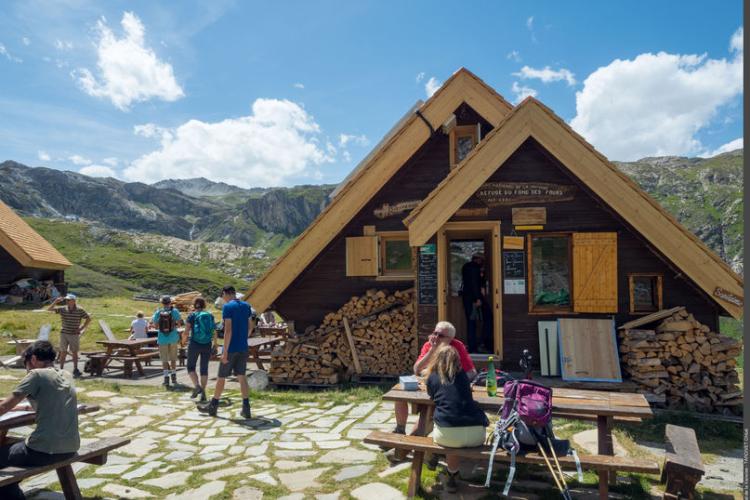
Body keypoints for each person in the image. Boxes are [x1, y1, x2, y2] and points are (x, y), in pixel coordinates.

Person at [0, 341, 80, 499]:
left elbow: (3, 408)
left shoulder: (36, 375)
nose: (27, 368)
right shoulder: (66, 374)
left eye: (26, 364)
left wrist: (9, 406)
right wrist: (22, 407)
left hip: (45, 450)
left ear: (34, 359)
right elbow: (50, 402)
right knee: (11, 449)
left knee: (4, 456)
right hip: (70, 447)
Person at [390, 322, 476, 440]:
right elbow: (416, 369)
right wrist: (432, 350)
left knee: (429, 409)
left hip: (444, 387)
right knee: (399, 395)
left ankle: (410, 441)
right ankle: (400, 429)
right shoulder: (429, 345)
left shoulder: (457, 346)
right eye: (434, 333)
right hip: (428, 383)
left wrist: (454, 379)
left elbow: (471, 372)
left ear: (450, 339)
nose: (435, 337)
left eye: (440, 335)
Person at [425, 344, 489, 493]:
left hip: (449, 435)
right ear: (457, 359)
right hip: (477, 436)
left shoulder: (433, 377)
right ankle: (452, 474)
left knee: (434, 433)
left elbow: (432, 396)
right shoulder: (463, 377)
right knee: (453, 430)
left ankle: (437, 460)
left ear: (436, 359)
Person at [199, 286, 253, 418]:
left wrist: (224, 352)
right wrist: (244, 338)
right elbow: (251, 326)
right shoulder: (246, 306)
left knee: (221, 377)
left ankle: (213, 406)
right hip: (243, 347)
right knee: (241, 376)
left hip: (231, 348)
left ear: (225, 294)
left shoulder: (227, 307)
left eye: (222, 296)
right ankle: (246, 408)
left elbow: (228, 330)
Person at [46, 293, 90, 378]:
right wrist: (56, 301)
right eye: (67, 300)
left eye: (69, 300)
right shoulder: (63, 309)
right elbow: (49, 309)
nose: (67, 301)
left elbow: (88, 318)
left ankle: (75, 369)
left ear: (74, 301)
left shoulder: (80, 310)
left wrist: (81, 328)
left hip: (74, 334)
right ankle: (61, 369)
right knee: (63, 352)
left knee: (74, 352)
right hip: (64, 333)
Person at [182, 297, 216, 402]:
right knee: (204, 369)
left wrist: (183, 342)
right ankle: (204, 393)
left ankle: (197, 386)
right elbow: (214, 331)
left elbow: (186, 332)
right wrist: (216, 344)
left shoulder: (192, 316)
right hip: (207, 344)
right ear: (204, 305)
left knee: (191, 367)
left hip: (194, 343)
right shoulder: (210, 315)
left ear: (194, 305)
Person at [461, 253, 492, 352]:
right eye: (482, 260)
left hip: (466, 298)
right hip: (473, 299)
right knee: (485, 318)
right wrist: (478, 298)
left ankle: (473, 346)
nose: (482, 263)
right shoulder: (475, 268)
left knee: (471, 322)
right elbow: (475, 284)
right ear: (478, 260)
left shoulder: (466, 267)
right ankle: (481, 344)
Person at [151, 296, 182, 388]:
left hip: (162, 338)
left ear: (162, 303)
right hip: (173, 338)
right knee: (173, 358)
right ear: (170, 302)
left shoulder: (158, 312)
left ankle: (166, 378)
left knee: (164, 359)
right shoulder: (175, 311)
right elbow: (179, 324)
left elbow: (155, 326)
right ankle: (174, 377)